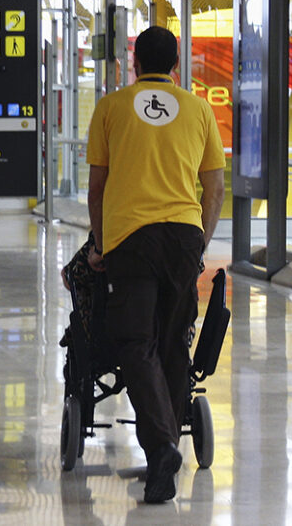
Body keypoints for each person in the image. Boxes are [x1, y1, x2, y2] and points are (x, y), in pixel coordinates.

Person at [85, 26, 225, 504]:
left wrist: (100, 245)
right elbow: (214, 190)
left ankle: (163, 446)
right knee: (171, 343)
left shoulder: (112, 107)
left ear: (135, 59)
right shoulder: (199, 108)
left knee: (134, 341)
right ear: (176, 62)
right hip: (183, 237)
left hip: (131, 238)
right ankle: (161, 467)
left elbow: (98, 189)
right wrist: (199, 245)